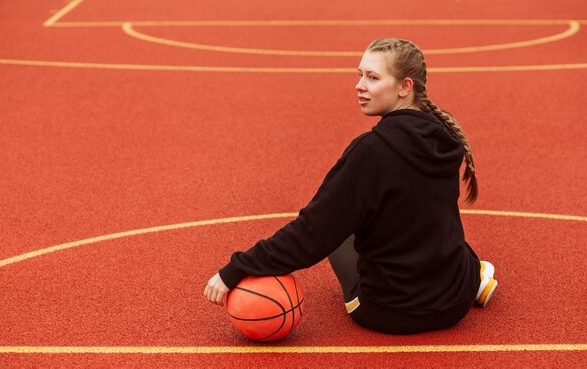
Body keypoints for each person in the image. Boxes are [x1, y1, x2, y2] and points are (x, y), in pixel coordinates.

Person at [204, 38, 497, 334]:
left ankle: (466, 276)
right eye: (359, 74)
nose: (359, 85)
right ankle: (475, 277)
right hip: (454, 301)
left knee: (339, 224)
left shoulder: (369, 151)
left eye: (372, 77)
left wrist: (237, 269)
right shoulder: (444, 136)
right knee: (429, 218)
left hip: (391, 310)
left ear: (405, 87)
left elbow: (312, 234)